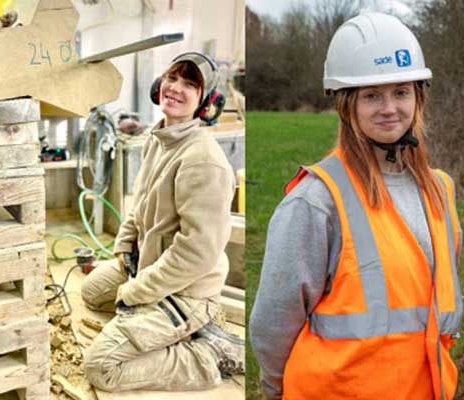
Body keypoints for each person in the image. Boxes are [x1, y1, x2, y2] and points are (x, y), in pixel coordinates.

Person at [249, 12, 462, 400]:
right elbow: (272, 322)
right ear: (346, 104)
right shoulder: (317, 201)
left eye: (400, 91)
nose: (389, 108)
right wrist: (275, 390)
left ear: (418, 96)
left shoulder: (439, 191)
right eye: (371, 95)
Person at [82, 52, 244, 392]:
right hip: (150, 266)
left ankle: (208, 356)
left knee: (101, 368)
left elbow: (194, 255)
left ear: (205, 103)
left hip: (186, 290)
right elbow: (139, 203)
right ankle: (155, 327)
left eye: (190, 84)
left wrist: (136, 291)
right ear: (160, 85)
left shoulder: (203, 161)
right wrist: (124, 247)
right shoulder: (159, 140)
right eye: (172, 78)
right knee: (91, 293)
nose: (175, 88)